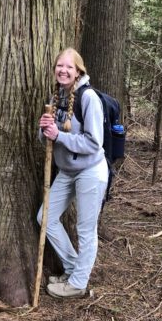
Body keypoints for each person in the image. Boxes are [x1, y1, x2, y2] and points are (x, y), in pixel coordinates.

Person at [37, 48, 108, 299]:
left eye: (69, 67)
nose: (63, 70)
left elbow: (93, 143)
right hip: (67, 171)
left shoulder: (88, 99)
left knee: (86, 229)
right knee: (45, 217)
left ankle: (78, 283)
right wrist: (45, 129)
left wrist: (60, 136)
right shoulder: (56, 97)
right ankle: (73, 268)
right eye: (60, 66)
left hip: (90, 171)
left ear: (79, 71)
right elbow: (47, 138)